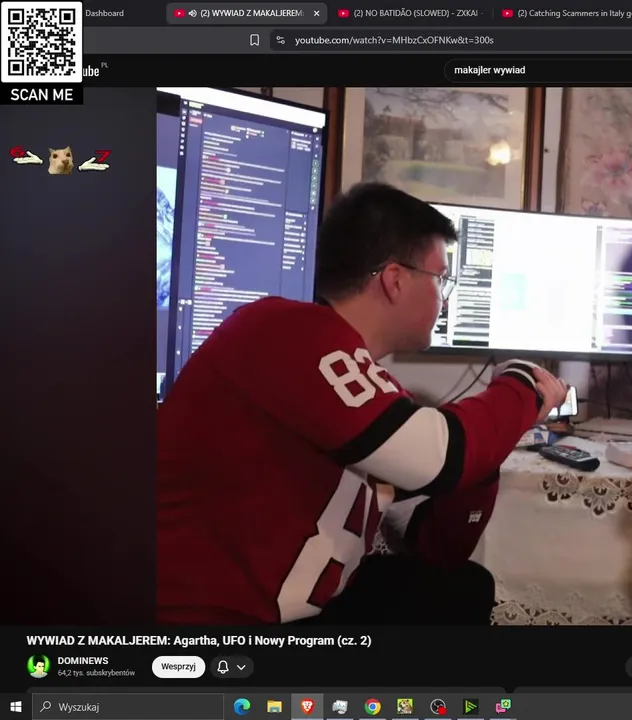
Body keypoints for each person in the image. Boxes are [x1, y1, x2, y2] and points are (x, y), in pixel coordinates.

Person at [157, 182, 568, 624]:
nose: (445, 300)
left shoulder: (364, 386)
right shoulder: (285, 331)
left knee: (461, 587)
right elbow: (442, 454)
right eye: (441, 279)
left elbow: (437, 547)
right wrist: (522, 383)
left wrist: (485, 451)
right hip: (206, 619)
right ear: (395, 280)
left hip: (295, 605)